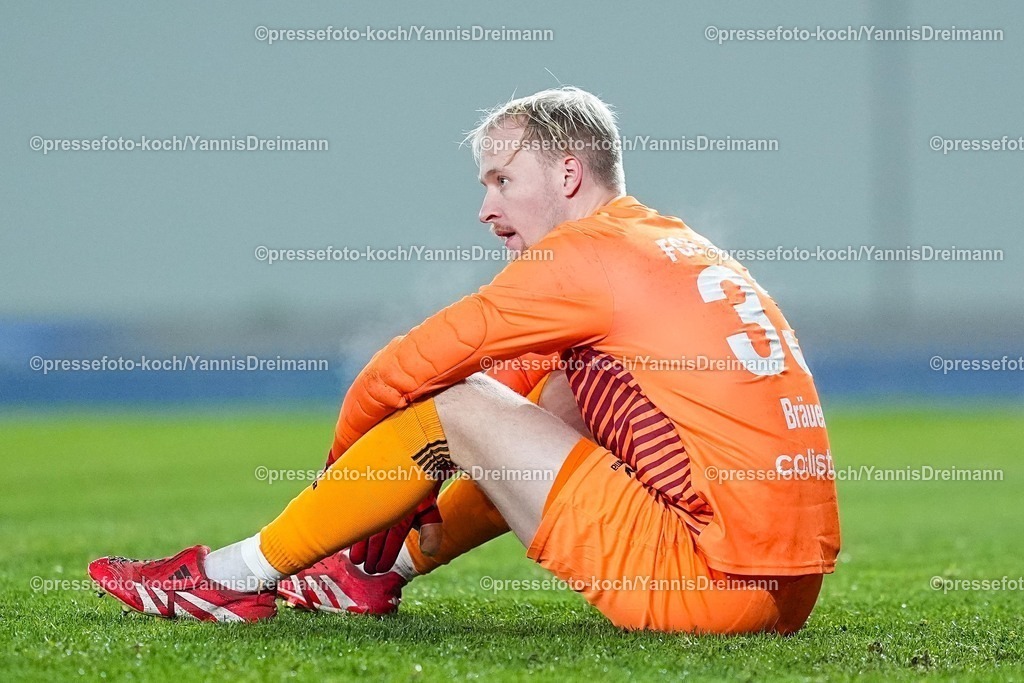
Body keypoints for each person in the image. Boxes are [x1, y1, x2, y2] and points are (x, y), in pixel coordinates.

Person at [89, 86, 840, 634]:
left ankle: (228, 576)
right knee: (552, 397)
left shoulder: (585, 258)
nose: (485, 206)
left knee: (463, 402)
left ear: (568, 176)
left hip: (709, 585)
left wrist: (343, 472)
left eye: (501, 180)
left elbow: (408, 370)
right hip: (783, 592)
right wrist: (385, 498)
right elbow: (519, 392)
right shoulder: (661, 242)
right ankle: (369, 574)